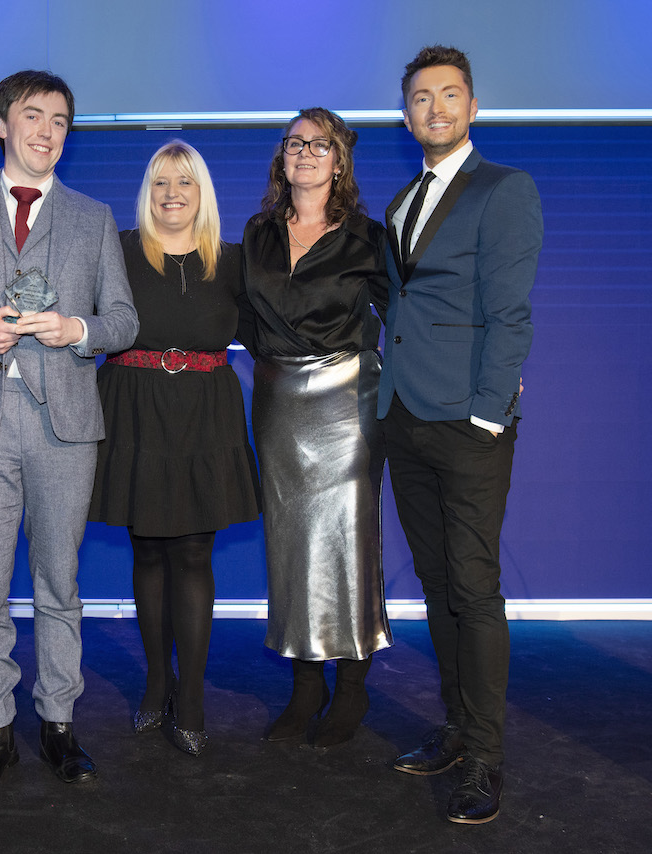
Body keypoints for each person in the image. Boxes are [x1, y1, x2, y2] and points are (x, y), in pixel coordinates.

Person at [0, 70, 138, 791]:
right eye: (33, 116)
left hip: (65, 427)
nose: (46, 131)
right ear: (2, 124)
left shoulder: (94, 218)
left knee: (59, 583)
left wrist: (78, 329)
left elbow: (124, 321)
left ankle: (60, 724)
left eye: (61, 121)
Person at [380, 45, 542, 825]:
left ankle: (486, 757)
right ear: (406, 112)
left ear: (472, 107)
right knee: (438, 584)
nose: (435, 109)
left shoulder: (505, 191)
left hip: (469, 424)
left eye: (449, 96)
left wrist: (486, 412)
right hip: (405, 420)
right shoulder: (402, 201)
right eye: (420, 98)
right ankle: (452, 728)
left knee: (475, 590)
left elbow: (510, 311)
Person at [89, 140, 261, 756]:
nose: (171, 194)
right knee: (149, 552)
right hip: (133, 409)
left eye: (184, 183)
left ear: (202, 192)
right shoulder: (121, 251)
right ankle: (155, 684)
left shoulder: (233, 260)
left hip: (206, 414)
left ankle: (191, 697)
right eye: (160, 182)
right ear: (148, 191)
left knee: (193, 555)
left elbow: (279, 328)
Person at [239, 108, 392, 751]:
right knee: (290, 541)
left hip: (347, 398)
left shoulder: (367, 235)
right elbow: (240, 311)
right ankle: (305, 688)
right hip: (278, 397)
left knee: (350, 539)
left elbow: (411, 310)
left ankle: (352, 683)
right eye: (294, 142)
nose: (304, 152)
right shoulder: (257, 232)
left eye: (319, 144)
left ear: (340, 160)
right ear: (282, 157)